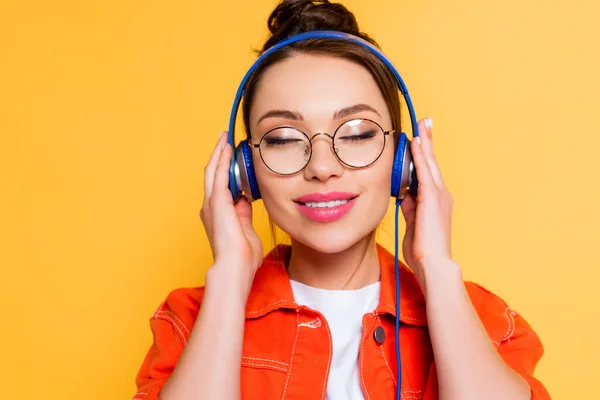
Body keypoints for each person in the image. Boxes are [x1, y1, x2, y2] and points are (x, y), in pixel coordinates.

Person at [132, 1, 550, 399]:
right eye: (283, 139)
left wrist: (435, 269)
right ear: (244, 170)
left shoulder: (481, 318)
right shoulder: (191, 320)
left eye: (356, 134)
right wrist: (230, 276)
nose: (323, 167)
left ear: (404, 159)